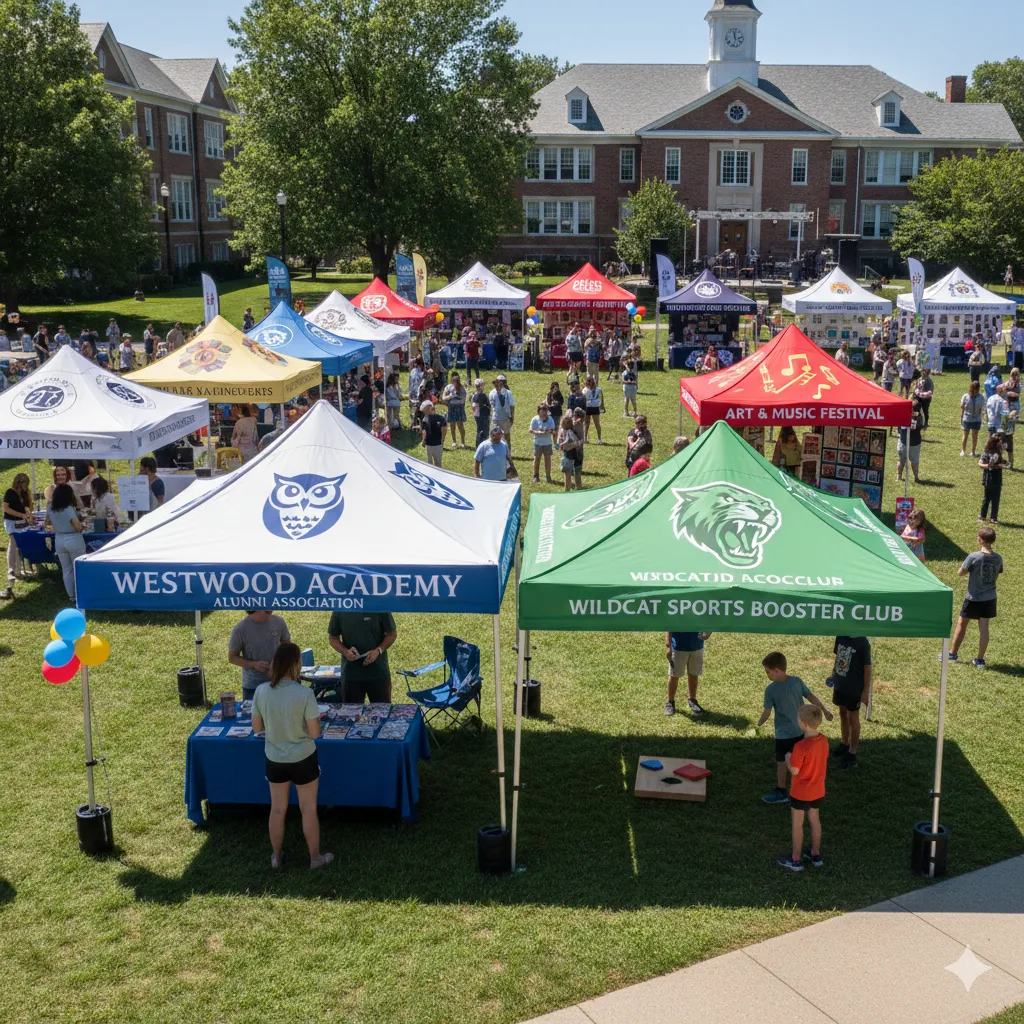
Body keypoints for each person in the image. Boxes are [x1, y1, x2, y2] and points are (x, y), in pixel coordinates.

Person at [250, 643, 333, 870]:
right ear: (297, 664)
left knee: (277, 809)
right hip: (303, 757)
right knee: (308, 808)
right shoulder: (304, 694)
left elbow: (257, 729)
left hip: (275, 758)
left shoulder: (261, 691)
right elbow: (315, 732)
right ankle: (315, 858)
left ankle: (276, 856)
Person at [758, 651, 832, 804]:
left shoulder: (770, 690)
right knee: (800, 760)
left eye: (768, 672)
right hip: (800, 730)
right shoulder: (797, 681)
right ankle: (804, 787)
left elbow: (767, 712)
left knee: (781, 761)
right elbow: (811, 697)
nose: (767, 675)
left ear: (777, 671)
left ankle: (781, 791)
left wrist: (759, 723)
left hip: (783, 734)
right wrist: (824, 710)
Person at [778, 704, 829, 871]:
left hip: (801, 792)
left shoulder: (800, 747)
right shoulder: (824, 741)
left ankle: (795, 859)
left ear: (804, 724)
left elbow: (794, 770)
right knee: (815, 820)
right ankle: (815, 854)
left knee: (797, 823)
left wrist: (787, 758)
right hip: (818, 790)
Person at [949, 527, 1002, 668]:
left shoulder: (973, 556)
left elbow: (960, 572)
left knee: (962, 623)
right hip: (990, 598)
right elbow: (999, 571)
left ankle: (952, 654)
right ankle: (980, 660)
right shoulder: (998, 557)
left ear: (980, 539)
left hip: (973, 598)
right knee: (984, 627)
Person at [328, 611, 397, 703]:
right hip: (351, 674)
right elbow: (333, 638)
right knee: (351, 714)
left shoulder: (379, 606)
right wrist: (346, 652)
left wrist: (378, 650)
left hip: (378, 672)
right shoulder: (341, 609)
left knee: (382, 712)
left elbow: (392, 634)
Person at [228, 608, 291, 701]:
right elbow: (232, 658)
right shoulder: (240, 629)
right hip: (253, 686)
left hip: (278, 682)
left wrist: (280, 665)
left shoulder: (279, 621)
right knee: (253, 715)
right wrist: (253, 664)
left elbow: (288, 648)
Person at [828, 635, 871, 770]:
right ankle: (844, 744)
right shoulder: (840, 636)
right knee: (842, 713)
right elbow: (838, 657)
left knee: (853, 719)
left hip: (854, 689)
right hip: (841, 685)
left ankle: (852, 753)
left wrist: (865, 692)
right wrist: (834, 674)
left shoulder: (863, 643)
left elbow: (867, 669)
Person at [45, 482, 86, 600]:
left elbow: (46, 522)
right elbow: (77, 526)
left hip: (59, 539)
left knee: (66, 569)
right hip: (73, 538)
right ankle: (81, 594)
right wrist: (82, 526)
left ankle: (71, 595)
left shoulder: (50, 507)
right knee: (78, 567)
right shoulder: (68, 509)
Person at [665, 631, 711, 717]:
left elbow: (711, 619)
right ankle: (670, 703)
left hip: (697, 646)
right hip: (678, 647)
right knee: (674, 675)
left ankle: (692, 701)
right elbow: (669, 625)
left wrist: (708, 632)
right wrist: (668, 645)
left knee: (694, 674)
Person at [2, 473, 32, 595]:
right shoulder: (10, 492)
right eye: (21, 483)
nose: (23, 485)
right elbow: (5, 508)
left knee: (20, 546)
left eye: (25, 483)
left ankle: (19, 570)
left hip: (21, 522)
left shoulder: (24, 494)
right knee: (13, 544)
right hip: (11, 521)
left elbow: (27, 507)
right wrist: (21, 515)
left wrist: (28, 513)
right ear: (17, 482)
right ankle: (12, 571)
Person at [979, 435, 1007, 524]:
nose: (1001, 445)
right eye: (999, 443)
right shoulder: (986, 453)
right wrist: (988, 465)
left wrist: (1006, 463)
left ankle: (993, 518)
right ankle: (982, 516)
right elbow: (980, 464)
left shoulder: (998, 453)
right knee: (987, 498)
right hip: (989, 478)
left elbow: (1002, 461)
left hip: (997, 478)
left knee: (996, 499)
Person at [897, 399, 923, 484]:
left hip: (908, 442)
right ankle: (915, 478)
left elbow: (899, 428)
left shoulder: (904, 414)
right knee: (912, 461)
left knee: (903, 460)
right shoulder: (919, 416)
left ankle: (900, 477)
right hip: (909, 442)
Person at [528, 402, 556, 483]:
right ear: (539, 411)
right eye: (542, 411)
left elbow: (553, 430)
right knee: (537, 459)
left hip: (547, 443)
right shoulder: (535, 419)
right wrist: (539, 432)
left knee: (547, 460)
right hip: (538, 443)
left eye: (545, 411)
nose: (544, 413)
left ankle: (548, 476)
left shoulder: (550, 419)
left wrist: (548, 431)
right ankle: (536, 476)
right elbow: (531, 430)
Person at [442, 371, 468, 450]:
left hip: (459, 408)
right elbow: (443, 398)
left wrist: (459, 397)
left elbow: (464, 398)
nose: (455, 381)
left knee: (460, 426)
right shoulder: (448, 387)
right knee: (452, 426)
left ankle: (463, 442)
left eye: (456, 379)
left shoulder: (462, 388)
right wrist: (450, 396)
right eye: (453, 379)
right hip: (451, 408)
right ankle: (454, 441)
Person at [960, 380, 985, 457]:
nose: (976, 391)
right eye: (975, 389)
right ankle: (963, 451)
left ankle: (973, 452)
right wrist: (961, 416)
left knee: (975, 437)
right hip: (967, 419)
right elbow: (962, 406)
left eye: (977, 390)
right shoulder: (965, 396)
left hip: (976, 420)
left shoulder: (981, 397)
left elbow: (982, 408)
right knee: (965, 436)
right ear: (971, 388)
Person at [557, 414, 581, 491]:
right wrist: (561, 444)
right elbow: (560, 440)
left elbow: (577, 442)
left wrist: (568, 446)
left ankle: (572, 489)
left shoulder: (571, 431)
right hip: (566, 454)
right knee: (567, 473)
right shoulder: (562, 430)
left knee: (572, 473)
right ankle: (567, 489)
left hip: (572, 454)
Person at [489, 375, 515, 447]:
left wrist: (512, 416)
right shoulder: (492, 393)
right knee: (495, 437)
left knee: (506, 437)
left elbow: (511, 405)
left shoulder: (508, 393)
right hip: (496, 418)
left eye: (500, 382)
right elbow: (492, 406)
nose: (498, 384)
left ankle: (508, 454)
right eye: (497, 382)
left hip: (506, 418)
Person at [419, 400, 447, 467]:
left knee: (437, 460)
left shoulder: (440, 418)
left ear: (430, 409)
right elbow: (424, 431)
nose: (424, 412)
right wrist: (424, 440)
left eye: (425, 411)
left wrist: (442, 439)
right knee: (429, 461)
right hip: (429, 443)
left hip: (438, 443)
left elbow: (444, 429)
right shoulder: (425, 419)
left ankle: (438, 473)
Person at [582, 375, 605, 444]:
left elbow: (601, 399)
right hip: (587, 407)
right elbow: (583, 399)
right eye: (587, 382)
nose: (588, 384)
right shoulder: (584, 390)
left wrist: (601, 408)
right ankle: (585, 439)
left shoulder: (598, 390)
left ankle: (599, 439)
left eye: (589, 382)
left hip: (595, 407)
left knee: (597, 423)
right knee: (586, 423)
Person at [471, 378, 491, 447]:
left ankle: (479, 447)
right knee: (483, 433)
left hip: (478, 416)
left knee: (480, 431)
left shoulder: (474, 395)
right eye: (483, 385)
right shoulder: (481, 395)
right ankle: (481, 447)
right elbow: (475, 406)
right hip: (483, 416)